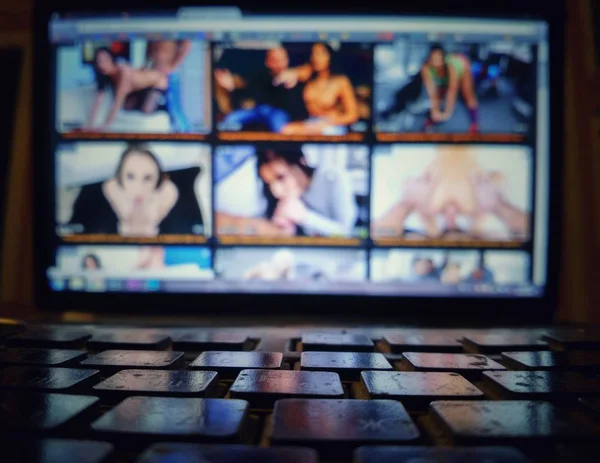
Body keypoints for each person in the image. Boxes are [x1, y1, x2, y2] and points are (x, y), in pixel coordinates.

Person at [372, 148, 529, 240]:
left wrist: (406, 203)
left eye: (445, 226)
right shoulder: (496, 187)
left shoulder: (405, 180)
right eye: (460, 225)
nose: (451, 216)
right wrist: (497, 204)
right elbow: (533, 233)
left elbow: (377, 234)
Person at [216, 148, 357, 237]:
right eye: (269, 183)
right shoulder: (276, 198)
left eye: (280, 177)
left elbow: (347, 233)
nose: (276, 191)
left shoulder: (334, 178)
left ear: (302, 162)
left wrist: (304, 217)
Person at [84, 44, 190, 132]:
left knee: (146, 110)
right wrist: (89, 125)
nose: (102, 64)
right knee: (128, 107)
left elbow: (118, 101)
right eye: (99, 61)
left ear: (111, 59)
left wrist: (105, 127)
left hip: (157, 83)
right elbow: (98, 100)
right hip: (138, 90)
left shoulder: (123, 72)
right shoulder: (106, 77)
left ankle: (166, 110)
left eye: (105, 60)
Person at [214, 46, 311, 132]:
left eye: (282, 60)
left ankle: (281, 152)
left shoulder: (293, 79)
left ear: (287, 61)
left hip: (277, 113)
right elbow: (248, 96)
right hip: (257, 110)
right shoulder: (260, 76)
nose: (279, 64)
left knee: (281, 127)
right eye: (275, 60)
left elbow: (295, 109)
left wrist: (290, 86)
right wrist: (233, 88)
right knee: (231, 119)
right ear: (268, 62)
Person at [281, 43, 359, 135]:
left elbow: (352, 115)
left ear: (329, 56)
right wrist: (306, 69)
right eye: (313, 54)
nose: (316, 58)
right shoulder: (308, 78)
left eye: (320, 54)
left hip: (332, 125)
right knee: (286, 129)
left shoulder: (340, 81)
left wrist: (329, 122)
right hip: (311, 123)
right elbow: (286, 76)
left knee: (326, 132)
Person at [103, 145, 178, 237]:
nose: (139, 188)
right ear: (120, 178)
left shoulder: (168, 193)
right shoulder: (111, 188)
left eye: (147, 178)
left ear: (157, 180)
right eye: (130, 177)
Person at [421, 43, 479, 134]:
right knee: (439, 95)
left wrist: (448, 113)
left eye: (438, 59)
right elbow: (432, 92)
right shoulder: (425, 67)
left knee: (468, 94)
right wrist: (434, 111)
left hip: (462, 66)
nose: (436, 62)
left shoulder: (451, 67)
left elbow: (452, 91)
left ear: (443, 59)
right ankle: (431, 121)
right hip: (446, 75)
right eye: (433, 59)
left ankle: (474, 125)